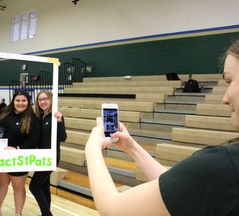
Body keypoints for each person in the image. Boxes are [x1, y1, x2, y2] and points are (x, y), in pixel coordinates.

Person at [85, 40, 239, 216]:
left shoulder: (221, 166)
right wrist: (132, 147)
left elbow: (112, 209)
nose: (225, 98)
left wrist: (92, 148)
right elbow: (178, 187)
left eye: (229, 81)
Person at [0, 90, 41, 216]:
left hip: (20, 157)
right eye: (17, 100)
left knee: (18, 187)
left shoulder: (32, 118)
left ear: (28, 102)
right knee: (2, 183)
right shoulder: (4, 113)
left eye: (23, 100)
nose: (20, 103)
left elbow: (34, 139)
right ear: (13, 101)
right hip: (2, 156)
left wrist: (17, 149)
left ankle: (18, 213)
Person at [29, 90, 67, 216]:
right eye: (40, 99)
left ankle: (47, 214)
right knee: (44, 186)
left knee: (33, 186)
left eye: (45, 99)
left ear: (50, 100)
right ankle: (45, 213)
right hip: (41, 156)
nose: (43, 102)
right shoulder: (39, 117)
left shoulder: (56, 116)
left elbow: (63, 138)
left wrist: (60, 121)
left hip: (51, 157)